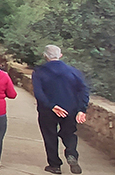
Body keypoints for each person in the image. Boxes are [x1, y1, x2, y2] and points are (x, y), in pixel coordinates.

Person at [32, 45, 90, 174]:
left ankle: (55, 165)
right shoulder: (73, 71)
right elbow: (84, 90)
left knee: (50, 136)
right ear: (61, 55)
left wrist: (51, 106)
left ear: (45, 56)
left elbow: (38, 93)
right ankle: (71, 154)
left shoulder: (39, 71)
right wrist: (81, 109)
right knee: (69, 133)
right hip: (70, 108)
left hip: (48, 110)